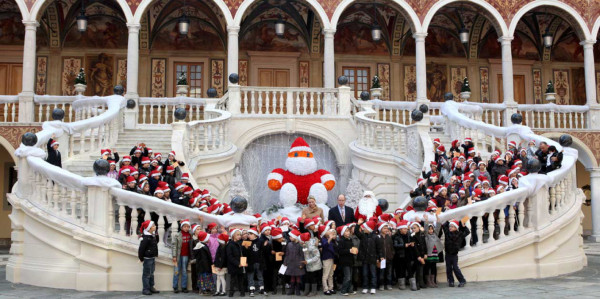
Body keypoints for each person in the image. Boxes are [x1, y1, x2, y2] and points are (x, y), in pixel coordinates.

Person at [355, 219, 380, 294]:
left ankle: (373, 287)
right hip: (365, 258)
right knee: (365, 274)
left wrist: (379, 257)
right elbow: (356, 232)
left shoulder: (376, 237)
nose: (363, 229)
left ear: (369, 229)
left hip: (372, 258)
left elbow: (379, 249)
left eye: (365, 228)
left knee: (373, 273)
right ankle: (365, 287)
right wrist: (358, 224)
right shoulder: (363, 236)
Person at [443, 220, 470, 287]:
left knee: (455, 268)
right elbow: (443, 226)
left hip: (454, 254)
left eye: (452, 226)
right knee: (448, 268)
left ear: (456, 227)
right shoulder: (447, 233)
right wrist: (448, 221)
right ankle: (451, 281)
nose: (450, 228)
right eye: (450, 226)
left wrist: (464, 227)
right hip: (448, 253)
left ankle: (462, 280)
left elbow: (467, 232)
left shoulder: (459, 234)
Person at [138, 220, 159, 296]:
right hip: (147, 258)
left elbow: (157, 242)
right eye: (153, 226)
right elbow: (141, 249)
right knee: (146, 274)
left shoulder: (152, 236)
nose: (155, 226)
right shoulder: (146, 238)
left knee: (152, 273)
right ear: (149, 228)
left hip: (152, 257)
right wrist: (141, 258)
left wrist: (156, 235)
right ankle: (145, 289)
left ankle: (151, 287)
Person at [172, 219, 193, 293]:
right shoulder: (178, 235)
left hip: (186, 255)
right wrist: (174, 256)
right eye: (185, 226)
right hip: (178, 256)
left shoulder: (190, 235)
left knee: (184, 271)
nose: (186, 228)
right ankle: (175, 286)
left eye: (188, 226)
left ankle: (184, 287)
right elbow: (174, 246)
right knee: (176, 271)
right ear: (181, 227)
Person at [284, 230, 305, 296]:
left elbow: (302, 255)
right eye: (290, 237)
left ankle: (297, 290)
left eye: (291, 236)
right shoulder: (289, 244)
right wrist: (285, 262)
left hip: (298, 263)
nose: (290, 238)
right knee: (292, 277)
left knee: (298, 277)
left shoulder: (300, 245)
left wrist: (302, 264)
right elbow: (287, 254)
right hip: (291, 263)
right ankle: (291, 290)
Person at [193, 230, 214, 295]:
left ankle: (203, 289)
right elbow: (204, 259)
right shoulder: (203, 248)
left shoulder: (201, 246)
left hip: (202, 267)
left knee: (202, 278)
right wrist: (209, 266)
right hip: (204, 267)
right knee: (205, 278)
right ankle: (204, 290)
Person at [226, 228, 246, 297]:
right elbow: (230, 256)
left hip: (240, 264)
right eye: (237, 235)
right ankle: (231, 292)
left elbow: (243, 254)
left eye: (240, 235)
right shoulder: (230, 244)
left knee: (241, 279)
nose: (239, 236)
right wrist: (237, 263)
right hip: (233, 265)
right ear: (233, 236)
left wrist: (243, 262)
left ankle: (242, 292)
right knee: (233, 279)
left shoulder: (240, 243)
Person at [337, 225, 356, 296]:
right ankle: (343, 290)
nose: (348, 233)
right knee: (347, 276)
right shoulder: (341, 241)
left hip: (350, 260)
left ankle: (350, 289)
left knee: (350, 276)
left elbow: (352, 249)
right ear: (342, 232)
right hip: (344, 262)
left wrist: (354, 250)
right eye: (346, 231)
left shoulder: (350, 239)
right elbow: (340, 251)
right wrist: (349, 250)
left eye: (348, 231)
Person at [321, 226, 336, 295]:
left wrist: (332, 238)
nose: (329, 231)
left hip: (331, 258)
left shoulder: (330, 239)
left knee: (331, 274)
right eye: (327, 230)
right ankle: (325, 289)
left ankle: (331, 288)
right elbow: (325, 245)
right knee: (325, 275)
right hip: (326, 258)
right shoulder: (323, 239)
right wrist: (330, 238)